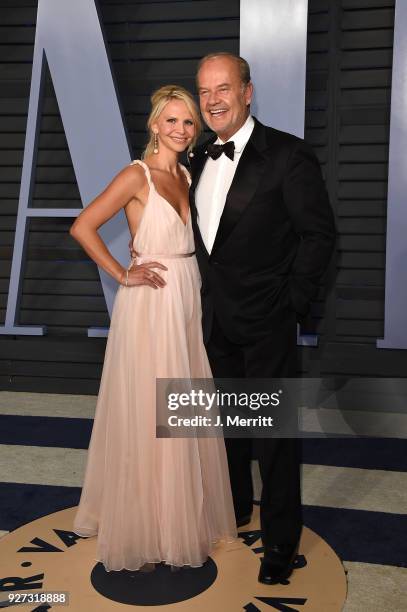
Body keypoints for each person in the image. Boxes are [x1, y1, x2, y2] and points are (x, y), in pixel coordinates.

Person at [70, 84, 237, 572]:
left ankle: (179, 514)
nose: (182, 130)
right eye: (172, 121)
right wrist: (123, 273)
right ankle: (148, 524)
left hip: (185, 299)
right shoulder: (136, 174)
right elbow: (83, 226)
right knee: (149, 409)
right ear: (154, 125)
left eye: (189, 122)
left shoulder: (187, 174)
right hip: (150, 305)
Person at [189, 52, 336, 584]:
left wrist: (291, 304)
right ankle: (236, 510)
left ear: (247, 92)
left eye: (223, 89)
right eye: (205, 91)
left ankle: (280, 541)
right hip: (214, 320)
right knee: (229, 427)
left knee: (274, 439)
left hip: (268, 320)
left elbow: (319, 236)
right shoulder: (199, 155)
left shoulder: (288, 156)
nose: (213, 101)